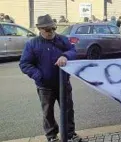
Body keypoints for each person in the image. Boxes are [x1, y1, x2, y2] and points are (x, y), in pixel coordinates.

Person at [19, 14, 81, 142]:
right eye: (47, 30)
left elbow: (73, 51)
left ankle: (70, 133)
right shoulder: (32, 44)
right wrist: (38, 76)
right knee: (48, 112)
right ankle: (52, 136)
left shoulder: (62, 39)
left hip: (63, 82)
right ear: (40, 29)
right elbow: (24, 64)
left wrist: (65, 56)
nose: (51, 32)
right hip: (45, 85)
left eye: (53, 28)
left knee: (68, 109)